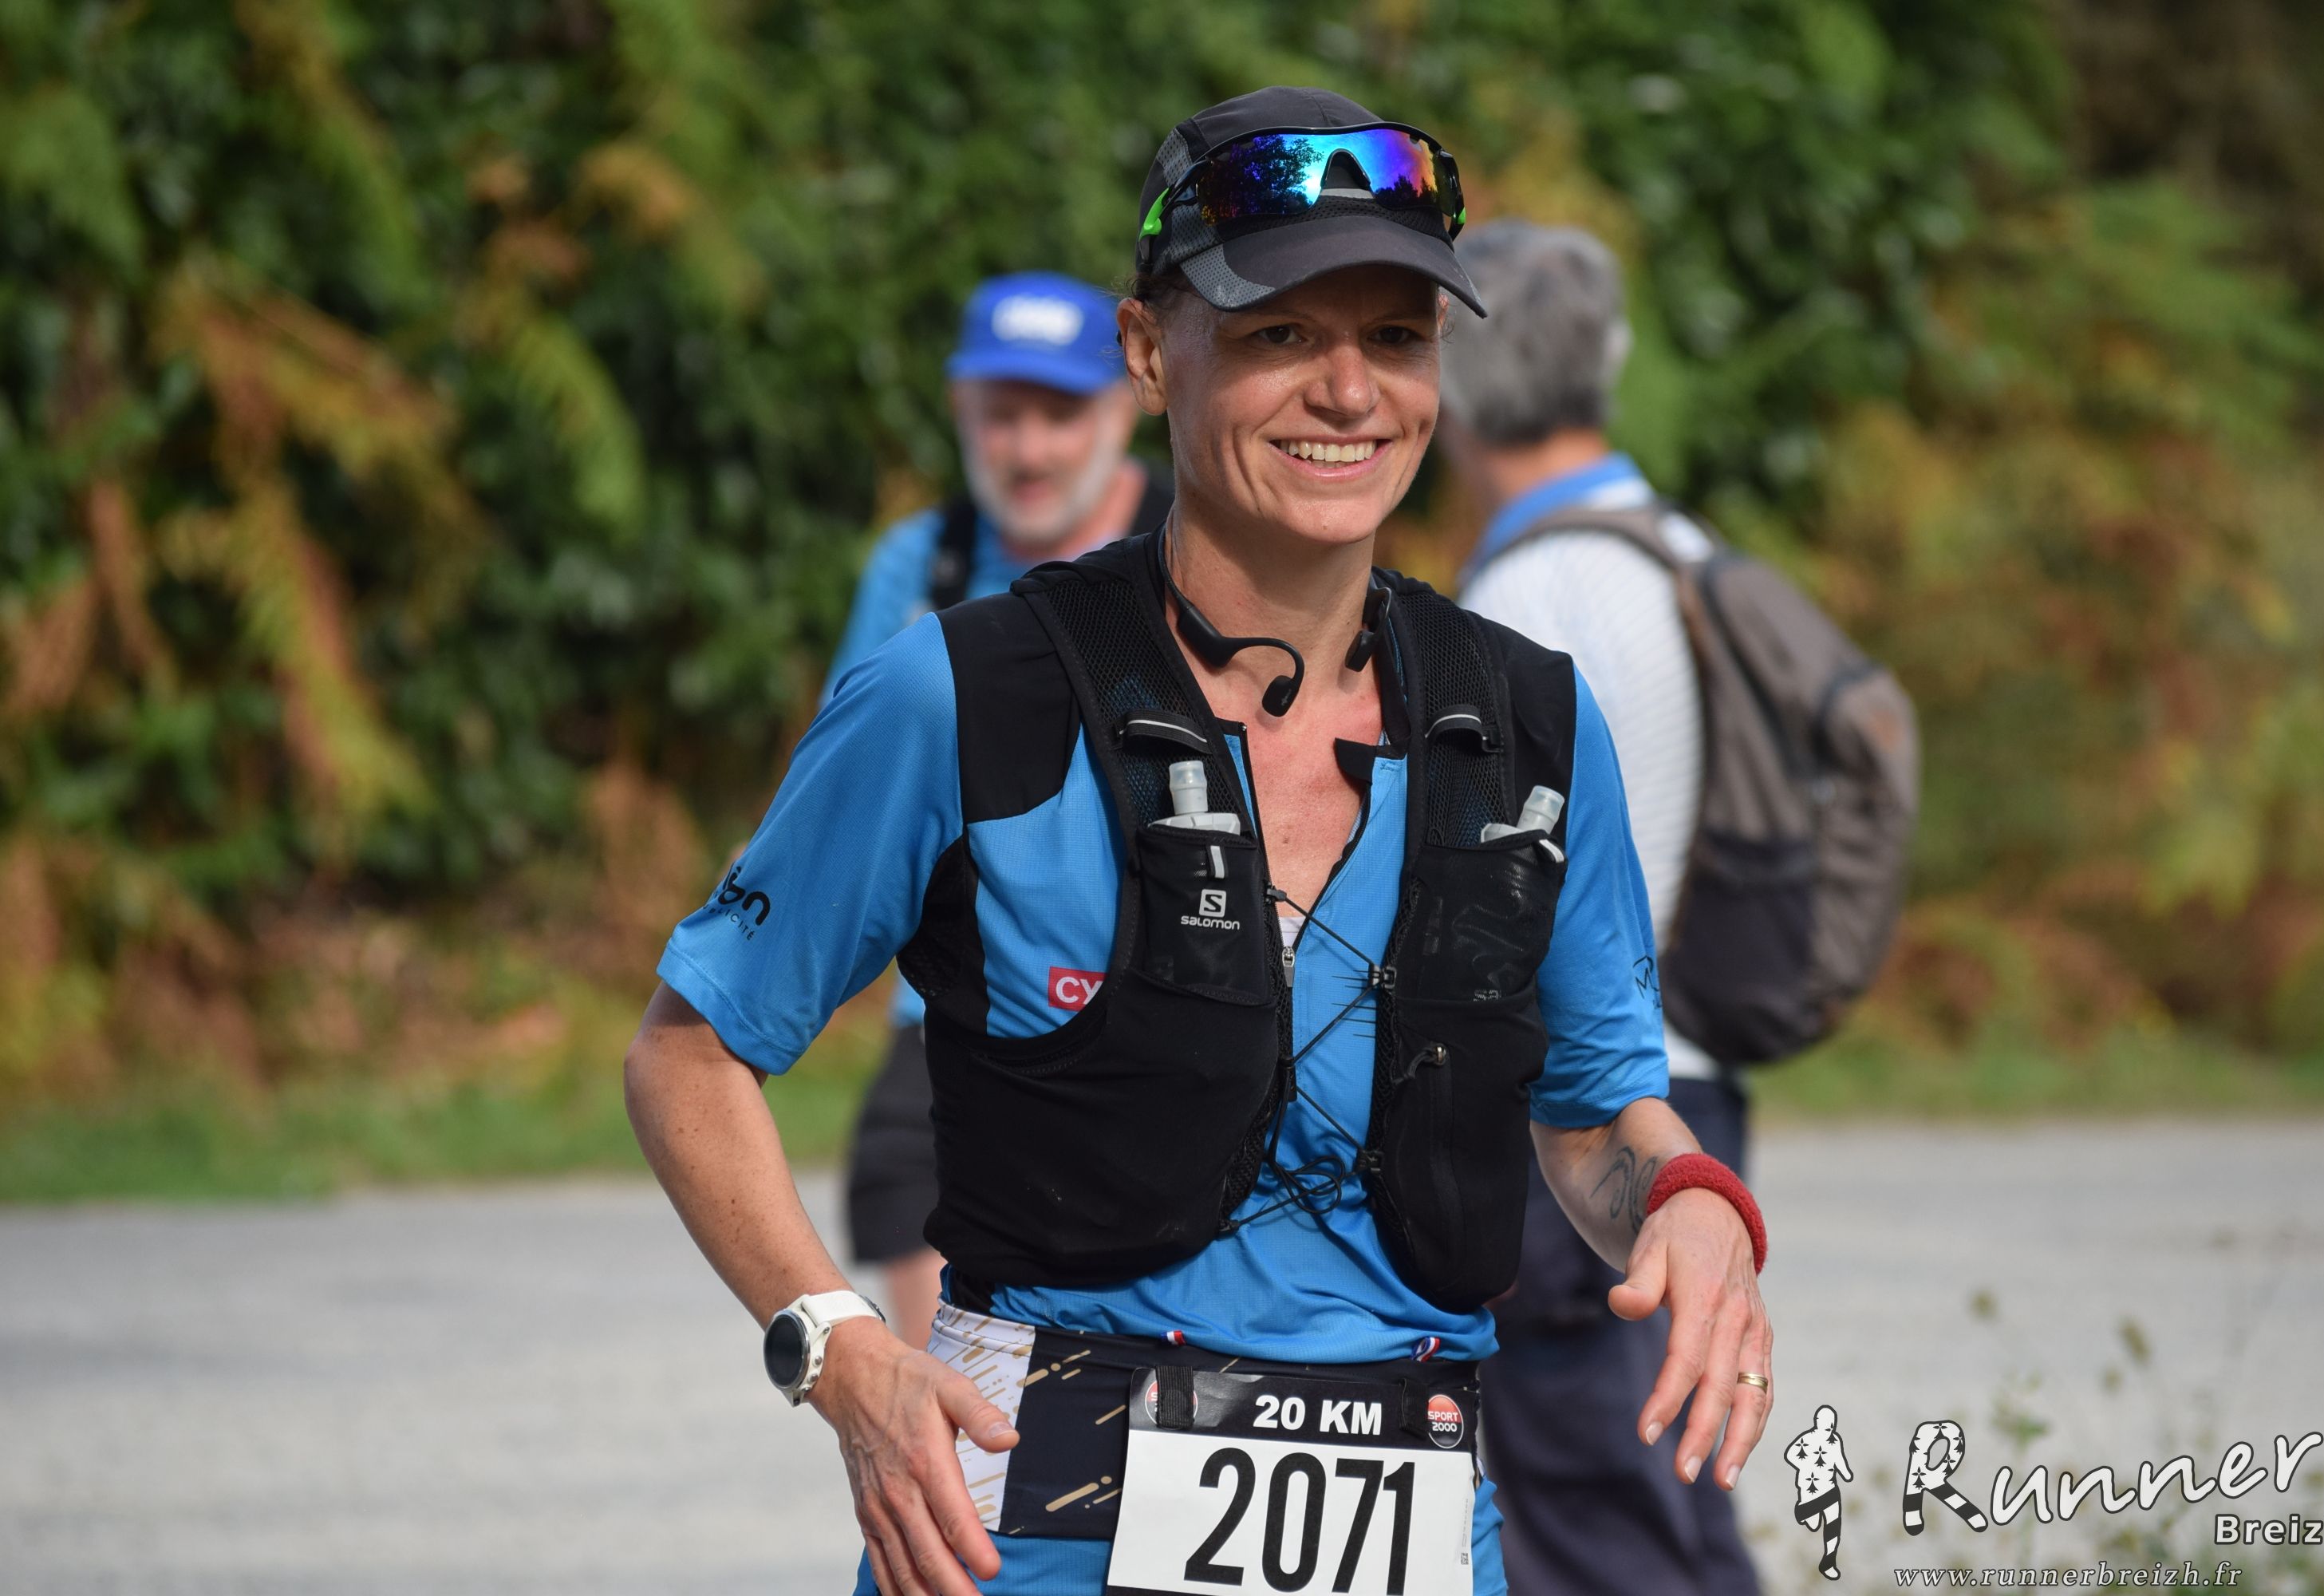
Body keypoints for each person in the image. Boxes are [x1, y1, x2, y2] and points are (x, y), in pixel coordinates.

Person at [625, 86, 1774, 1596]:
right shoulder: (962, 694)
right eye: (1281, 332)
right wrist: (838, 1347)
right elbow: (691, 1055)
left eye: (1396, 337)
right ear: (1149, 349)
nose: (1349, 392)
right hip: (1025, 1547)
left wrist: (1689, 1203)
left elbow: (1595, 1114)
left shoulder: (1532, 726)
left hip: (1425, 1539)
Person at [1435, 219, 1762, 1595]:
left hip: (1589, 1112)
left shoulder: (1537, 589)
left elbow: (1507, 895)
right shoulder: (1671, 546)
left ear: (1454, 382)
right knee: (1673, 1490)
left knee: (1588, 1514)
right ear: (1609, 358)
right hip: (1690, 1081)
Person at [834, 271, 1170, 1348]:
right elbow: (847, 791)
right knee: (902, 1165)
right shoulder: (919, 565)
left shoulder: (1196, 546)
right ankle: (955, 1420)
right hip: (961, 994)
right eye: (1001, 415)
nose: (1028, 451)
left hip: (1166, 979)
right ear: (959, 409)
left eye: (1059, 414)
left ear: (1126, 405)